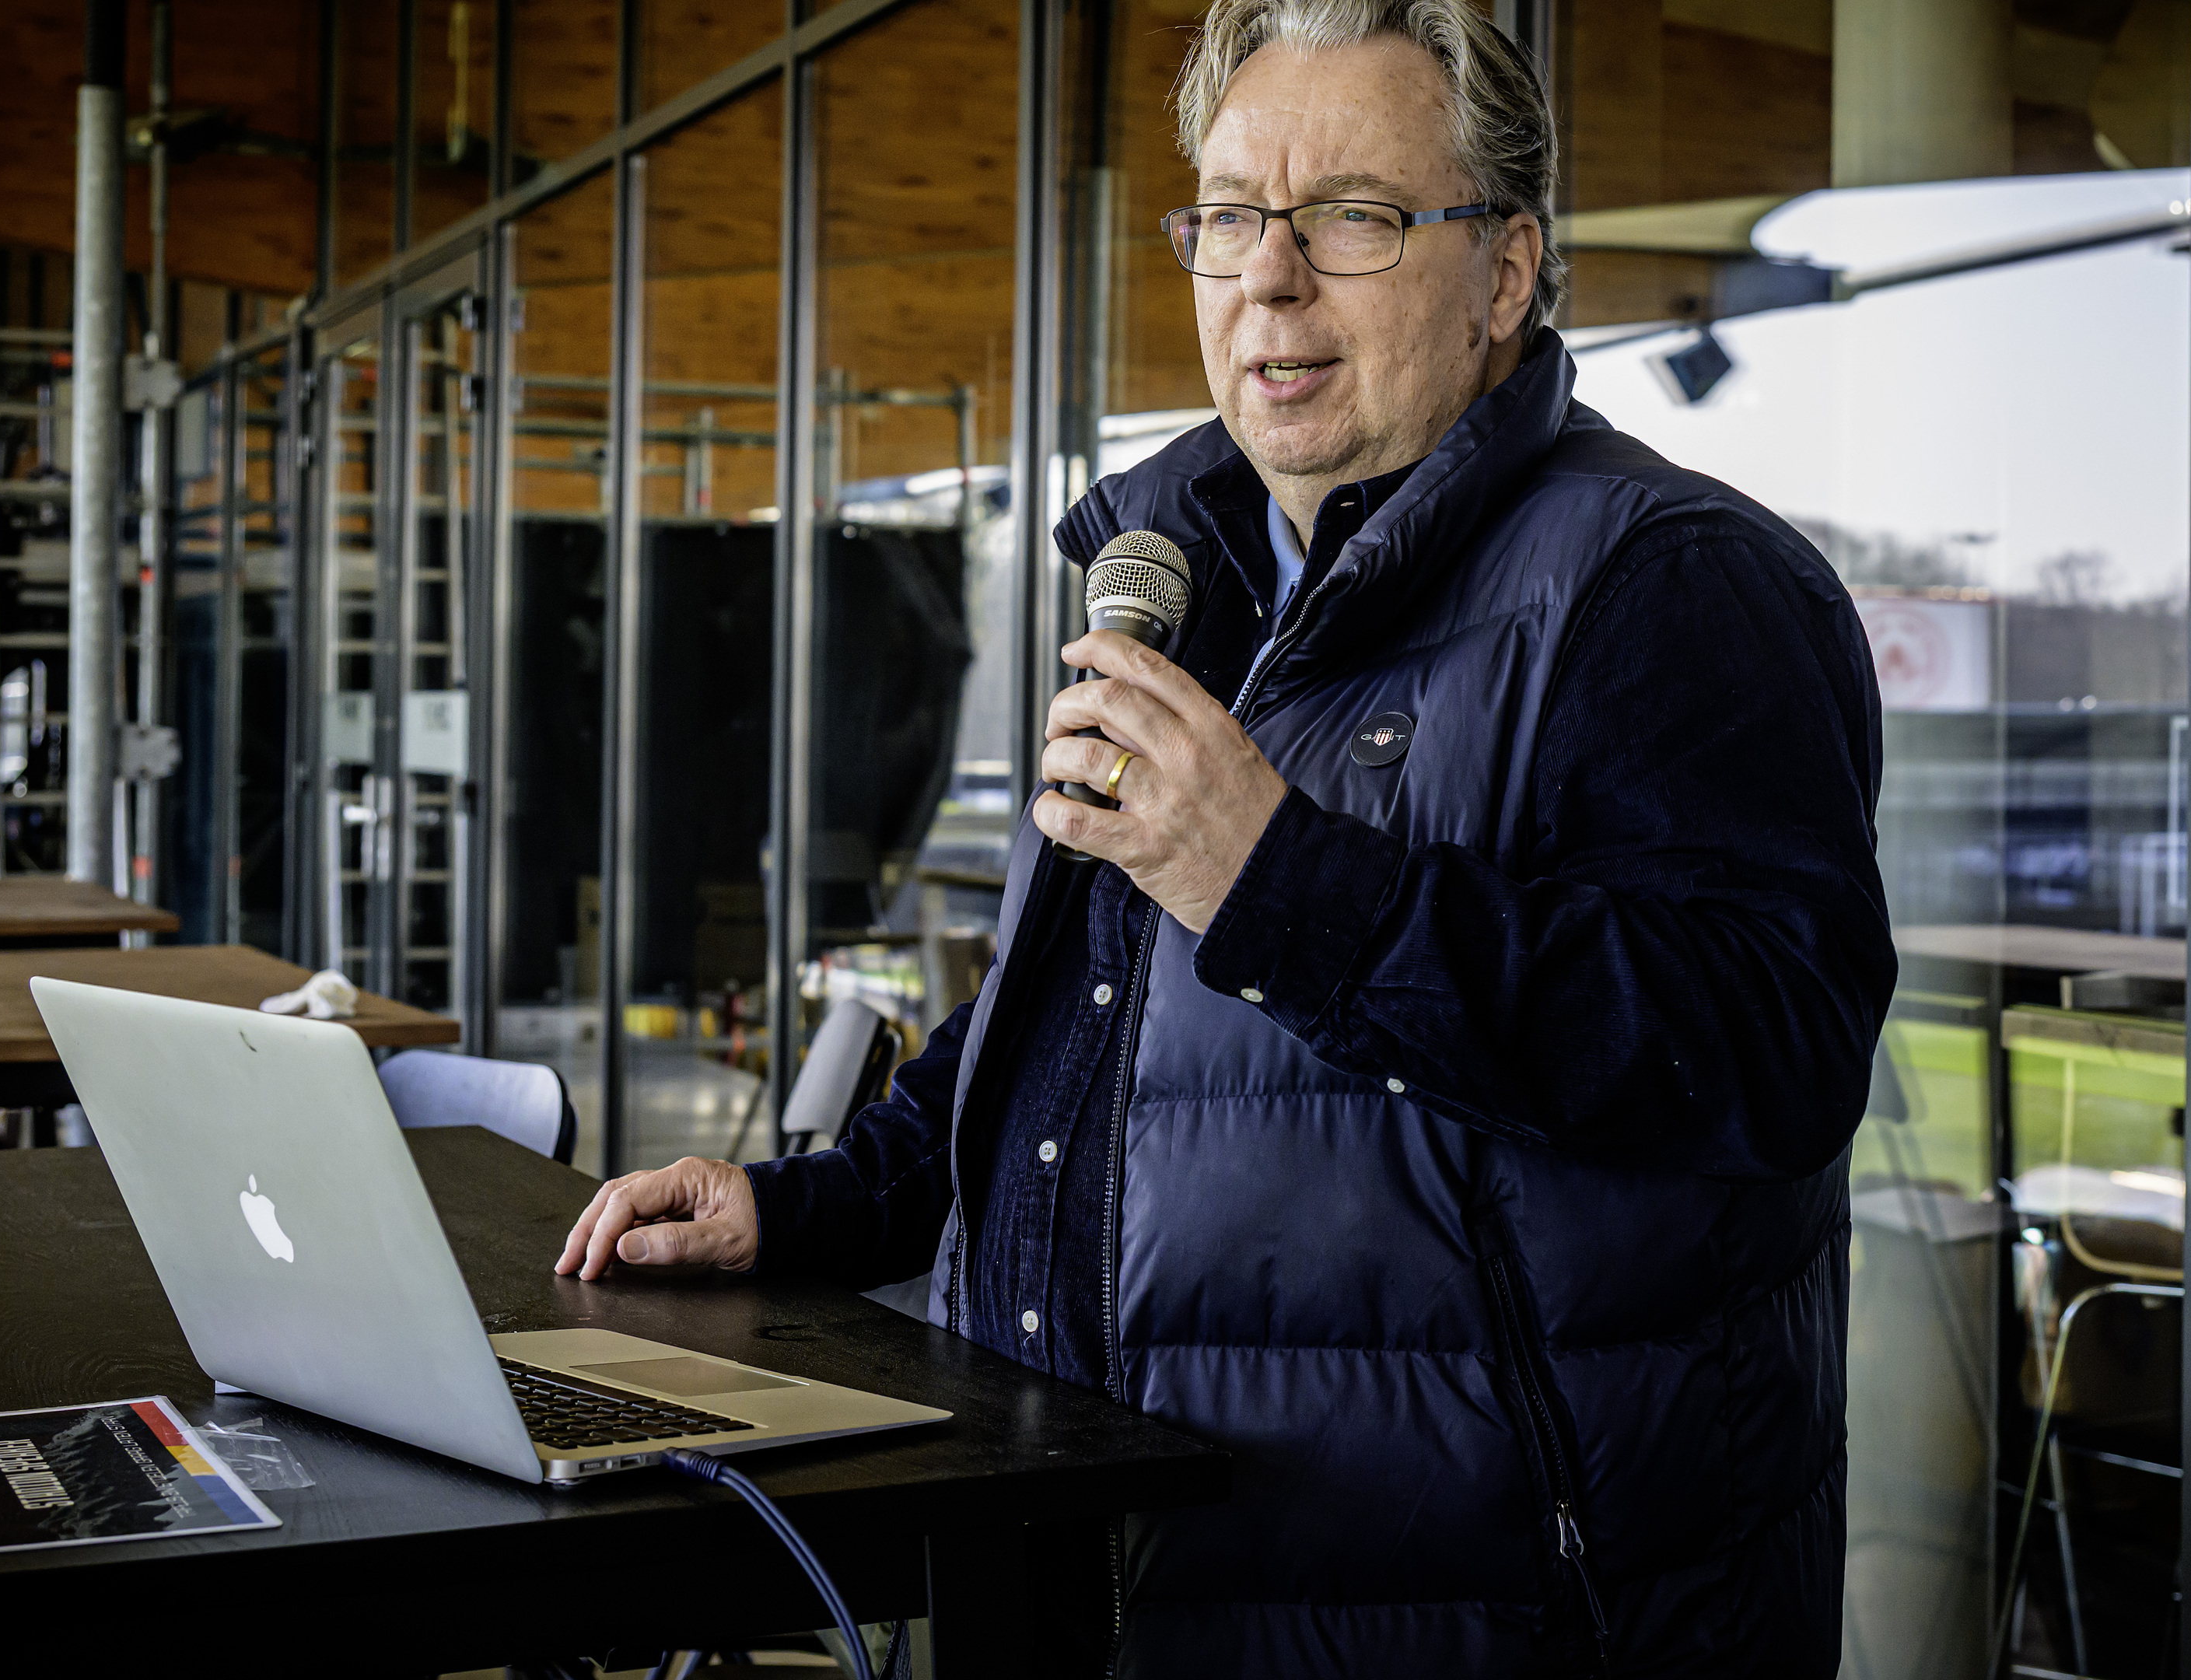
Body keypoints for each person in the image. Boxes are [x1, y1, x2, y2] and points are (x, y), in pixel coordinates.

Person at [556, 0, 1892, 1671]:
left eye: (1354, 216)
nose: (1270, 276)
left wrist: (1277, 886)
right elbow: (1081, 1032)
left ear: (1505, 273)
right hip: (1091, 1570)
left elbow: (1768, 1051)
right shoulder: (1181, 581)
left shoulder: (1668, 582)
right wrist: (817, 1205)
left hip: (1481, 1617)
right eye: (1233, 217)